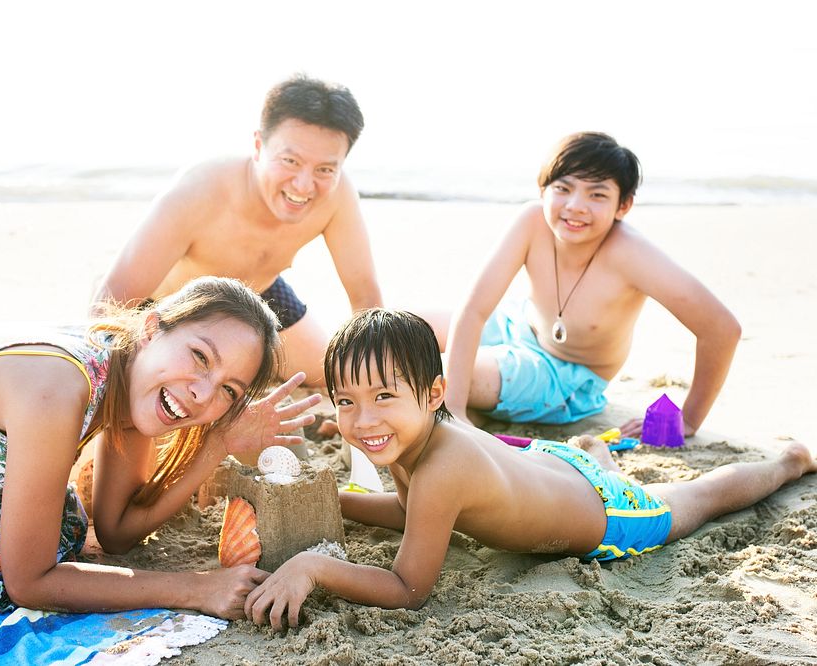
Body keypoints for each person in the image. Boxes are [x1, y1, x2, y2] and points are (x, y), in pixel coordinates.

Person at [243, 309, 815, 629]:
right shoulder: (417, 438)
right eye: (345, 401)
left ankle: (789, 462)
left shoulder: (442, 468)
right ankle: (594, 453)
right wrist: (333, 502)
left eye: (384, 396)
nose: (362, 419)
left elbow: (408, 587)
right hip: (549, 462)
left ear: (434, 391)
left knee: (697, 500)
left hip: (606, 516)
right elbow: (408, 510)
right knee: (593, 465)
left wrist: (314, 567)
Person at [0, 277, 321, 617]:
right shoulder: (60, 388)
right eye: (199, 356)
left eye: (229, 391)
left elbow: (118, 532)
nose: (202, 393)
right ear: (151, 329)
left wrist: (216, 446)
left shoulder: (131, 381)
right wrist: (196, 588)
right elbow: (30, 583)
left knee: (66, 525)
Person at [444, 132, 740, 438]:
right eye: (563, 188)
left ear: (623, 205)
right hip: (515, 323)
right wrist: (454, 408)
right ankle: (472, 409)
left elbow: (721, 328)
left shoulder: (632, 254)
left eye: (597, 195)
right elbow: (474, 309)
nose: (575, 206)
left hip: (562, 376)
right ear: (543, 189)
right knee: (400, 330)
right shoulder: (532, 220)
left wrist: (688, 419)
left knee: (427, 372)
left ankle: (470, 405)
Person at [94, 74, 383, 387]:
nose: (303, 185)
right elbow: (112, 298)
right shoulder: (200, 190)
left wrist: (370, 389)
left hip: (261, 295)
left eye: (325, 169)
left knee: (333, 377)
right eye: (290, 160)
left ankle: (259, 361)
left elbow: (365, 295)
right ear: (259, 146)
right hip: (169, 307)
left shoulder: (338, 197)